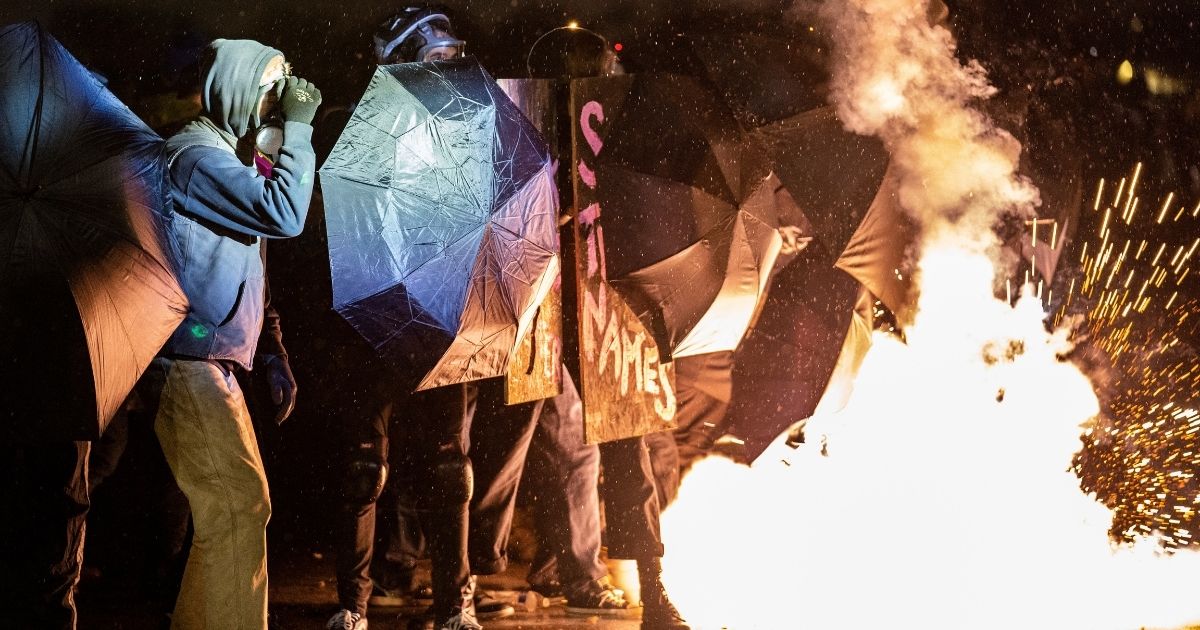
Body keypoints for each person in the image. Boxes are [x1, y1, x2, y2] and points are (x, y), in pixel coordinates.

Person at [325, 8, 543, 630]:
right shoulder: (358, 122)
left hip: (441, 312)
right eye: (432, 58)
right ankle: (353, 603)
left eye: (449, 58)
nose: (443, 68)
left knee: (451, 468)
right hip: (371, 315)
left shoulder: (472, 127)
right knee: (363, 463)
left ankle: (455, 605)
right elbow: (341, 223)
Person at [150, 38, 320, 629]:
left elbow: (256, 269)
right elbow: (285, 214)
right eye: (271, 93)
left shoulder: (231, 158)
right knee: (236, 506)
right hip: (185, 360)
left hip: (213, 360)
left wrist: (272, 351)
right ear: (237, 89)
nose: (278, 107)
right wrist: (299, 132)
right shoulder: (192, 158)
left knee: (235, 510)